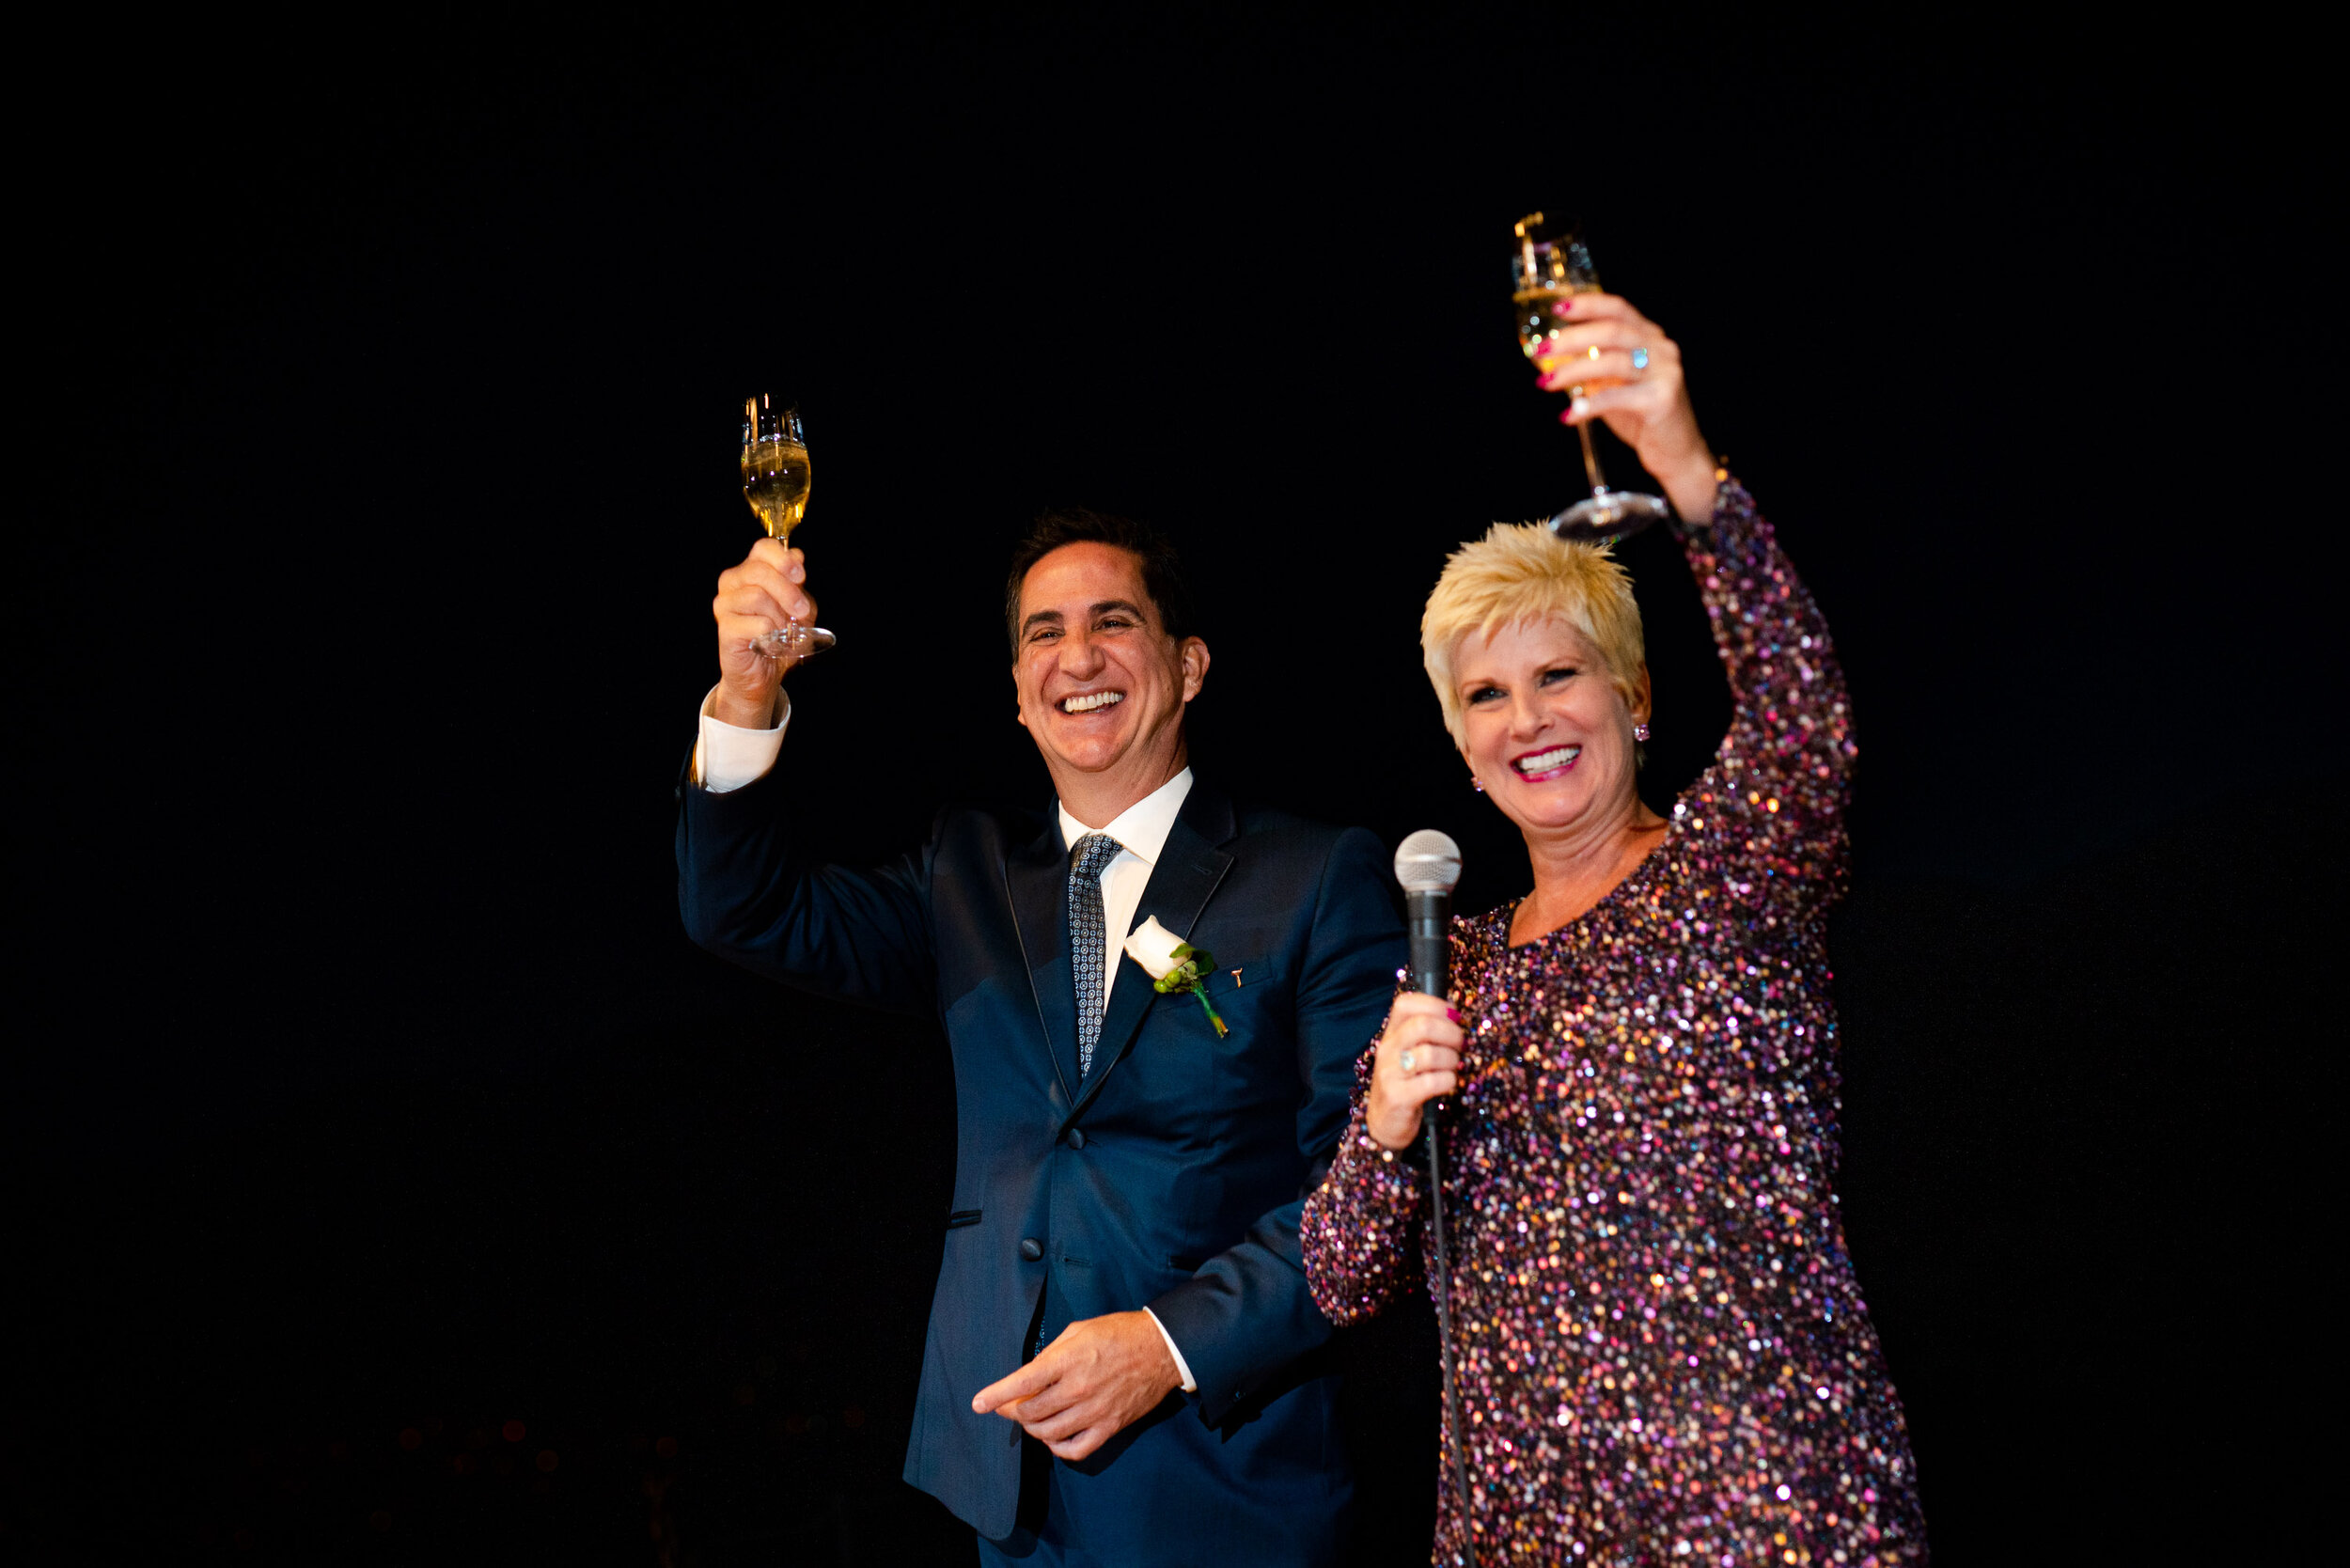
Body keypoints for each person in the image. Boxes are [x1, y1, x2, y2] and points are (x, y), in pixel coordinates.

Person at [1300, 290, 1930, 1566]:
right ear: (1463, 752)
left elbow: (1805, 720)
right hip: (1528, 1523)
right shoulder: (1453, 968)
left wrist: (1692, 479)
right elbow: (1338, 1276)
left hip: (1768, 1505)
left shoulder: (1733, 867)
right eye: (1486, 694)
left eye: (1558, 674)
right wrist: (1381, 1132)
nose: (1525, 718)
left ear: (1635, 698)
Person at [677, 508, 1406, 1565]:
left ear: (1188, 664)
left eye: (1113, 621)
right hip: (1011, 1490)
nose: (1077, 657)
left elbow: (1369, 1189)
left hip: (1229, 1476)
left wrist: (1168, 1344)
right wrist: (747, 697)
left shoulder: (1315, 875)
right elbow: (738, 910)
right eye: (1042, 635)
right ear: (1018, 694)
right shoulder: (961, 877)